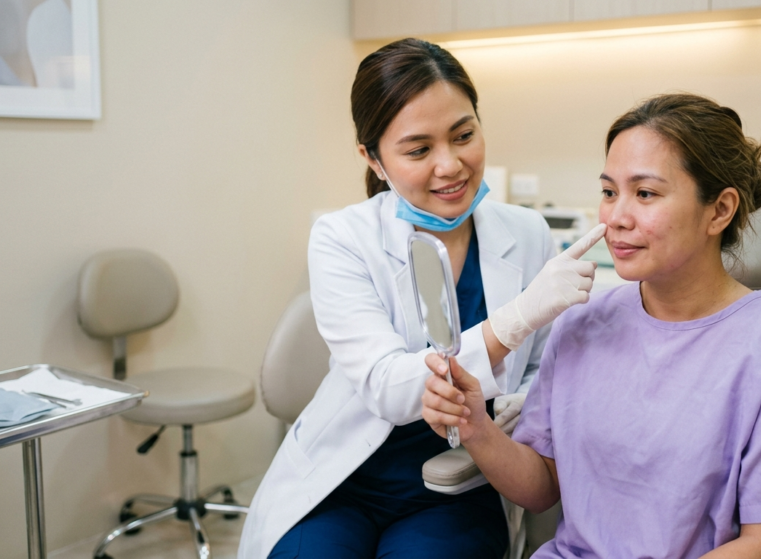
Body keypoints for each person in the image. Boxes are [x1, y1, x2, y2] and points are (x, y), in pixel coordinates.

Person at [421, 93, 761, 559]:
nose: (616, 217)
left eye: (646, 194)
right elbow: (541, 488)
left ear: (719, 210)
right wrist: (475, 425)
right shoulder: (581, 324)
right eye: (609, 192)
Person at [238, 38, 606, 559]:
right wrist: (516, 319)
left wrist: (506, 410)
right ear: (373, 158)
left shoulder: (526, 233)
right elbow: (388, 386)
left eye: (464, 135)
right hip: (341, 479)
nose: (450, 165)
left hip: (458, 485)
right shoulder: (343, 238)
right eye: (418, 150)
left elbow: (541, 373)